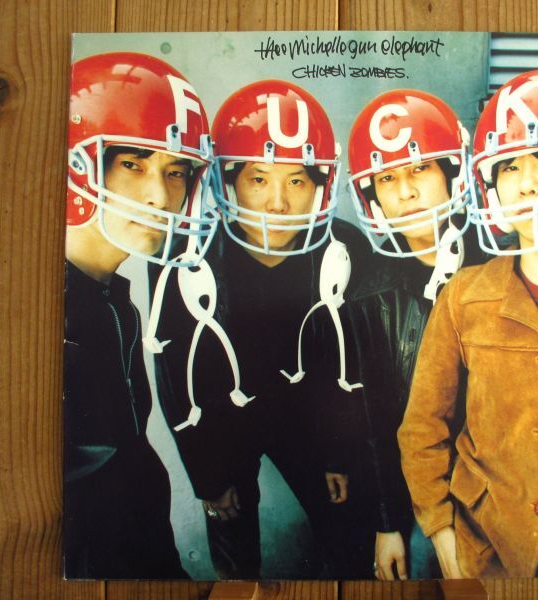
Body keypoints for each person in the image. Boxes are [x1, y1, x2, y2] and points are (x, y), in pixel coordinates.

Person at [398, 70, 538, 578]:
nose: (526, 183)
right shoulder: (464, 295)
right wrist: (444, 538)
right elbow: (422, 429)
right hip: (482, 553)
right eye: (509, 166)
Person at [152, 80, 372, 579]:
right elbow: (174, 371)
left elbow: (350, 364)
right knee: (235, 559)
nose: (277, 204)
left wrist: (341, 451)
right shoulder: (188, 255)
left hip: (310, 423)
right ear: (229, 180)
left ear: (320, 184)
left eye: (296, 181)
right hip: (224, 427)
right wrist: (206, 474)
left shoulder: (343, 247)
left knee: (347, 541)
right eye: (258, 179)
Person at [62, 51, 217, 579]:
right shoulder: (39, 322)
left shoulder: (115, 300)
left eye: (176, 172)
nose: (161, 196)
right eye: (133, 164)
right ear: (77, 165)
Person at [342, 89, 486, 580]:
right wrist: (387, 523)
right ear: (371, 193)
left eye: (420, 168)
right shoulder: (368, 292)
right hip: (424, 495)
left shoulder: (501, 262)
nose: (404, 192)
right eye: (387, 177)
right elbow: (375, 419)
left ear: (451, 171)